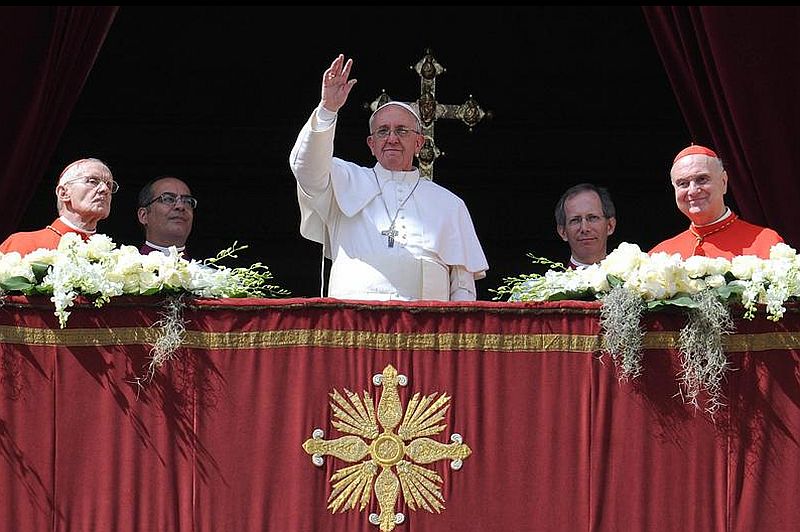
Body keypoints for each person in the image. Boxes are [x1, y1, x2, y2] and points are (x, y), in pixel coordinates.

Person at [289, 54, 488, 301]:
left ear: (419, 143)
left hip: (426, 330)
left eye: (401, 131)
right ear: (371, 144)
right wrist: (327, 110)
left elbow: (463, 288)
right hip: (352, 325)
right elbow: (305, 167)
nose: (392, 138)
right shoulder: (344, 180)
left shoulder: (449, 204)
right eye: (383, 131)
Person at [650, 144, 784, 259]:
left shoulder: (767, 243)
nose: (692, 190)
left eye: (702, 179)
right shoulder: (660, 255)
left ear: (723, 182)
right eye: (683, 183)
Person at [0, 158, 116, 256]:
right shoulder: (22, 243)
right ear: (64, 193)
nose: (105, 189)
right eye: (92, 181)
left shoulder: (111, 258)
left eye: (109, 185)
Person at [554, 183, 616, 268]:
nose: (584, 228)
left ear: (610, 226)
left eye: (593, 218)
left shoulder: (636, 279)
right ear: (563, 232)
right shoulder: (547, 281)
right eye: (575, 220)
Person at [136, 176, 196, 258]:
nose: (180, 206)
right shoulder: (120, 269)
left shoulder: (208, 271)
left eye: (187, 201)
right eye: (168, 199)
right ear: (144, 216)